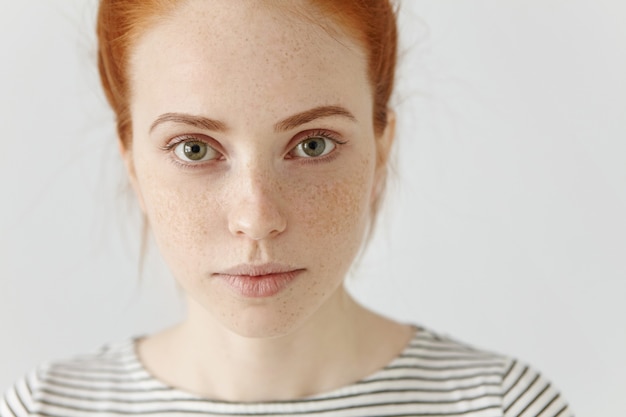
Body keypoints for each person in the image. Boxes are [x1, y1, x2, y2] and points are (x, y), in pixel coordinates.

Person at [1, 1, 574, 416]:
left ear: (381, 152)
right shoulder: (44, 408)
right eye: (194, 149)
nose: (257, 217)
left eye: (313, 144)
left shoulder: (504, 405)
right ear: (133, 165)